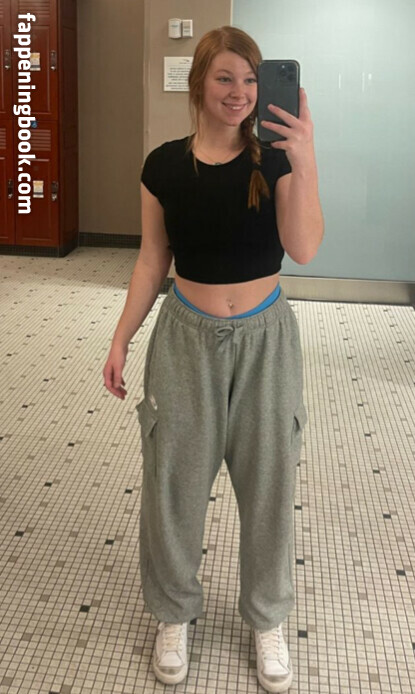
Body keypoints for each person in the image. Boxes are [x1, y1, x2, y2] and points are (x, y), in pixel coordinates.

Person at [103, 25, 324, 694]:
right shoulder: (163, 166)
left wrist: (305, 158)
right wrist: (121, 337)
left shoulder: (275, 161)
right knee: (172, 484)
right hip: (184, 337)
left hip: (265, 340)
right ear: (199, 82)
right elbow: (152, 260)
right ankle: (174, 613)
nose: (240, 92)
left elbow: (304, 248)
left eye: (250, 79)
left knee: (268, 484)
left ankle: (266, 618)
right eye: (225, 77)